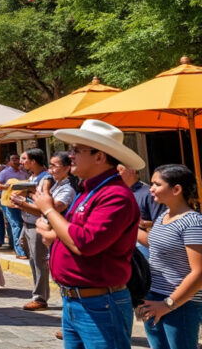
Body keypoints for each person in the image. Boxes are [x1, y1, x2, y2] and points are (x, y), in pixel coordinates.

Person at [32, 119, 143, 349]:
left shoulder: (115, 196)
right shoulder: (90, 190)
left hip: (100, 303)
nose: (70, 155)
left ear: (99, 156)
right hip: (79, 301)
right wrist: (53, 235)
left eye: (76, 150)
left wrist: (48, 209)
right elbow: (76, 234)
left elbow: (83, 243)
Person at [136, 164, 201, 349]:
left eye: (156, 184)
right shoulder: (164, 215)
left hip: (180, 304)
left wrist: (167, 304)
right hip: (153, 298)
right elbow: (155, 244)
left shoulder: (193, 222)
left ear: (176, 189)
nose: (151, 189)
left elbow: (199, 272)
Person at [7, 148, 52, 311]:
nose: (21, 162)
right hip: (27, 222)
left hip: (37, 223)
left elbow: (42, 206)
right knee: (33, 260)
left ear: (34, 161)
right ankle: (38, 294)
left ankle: (40, 297)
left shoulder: (45, 179)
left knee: (39, 262)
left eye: (24, 159)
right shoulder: (32, 177)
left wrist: (22, 203)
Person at [119, 162, 167, 259]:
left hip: (145, 252)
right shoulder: (118, 194)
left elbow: (162, 226)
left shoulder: (149, 193)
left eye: (119, 170)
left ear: (132, 170)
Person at [0, 154, 28, 258]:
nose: (16, 161)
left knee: (17, 224)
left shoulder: (24, 173)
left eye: (17, 159)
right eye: (13, 159)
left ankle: (13, 244)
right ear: (9, 162)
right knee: (16, 224)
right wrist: (5, 186)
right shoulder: (5, 172)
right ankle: (19, 251)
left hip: (21, 202)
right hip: (8, 202)